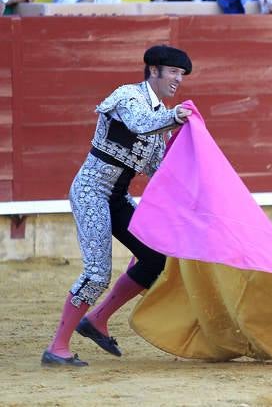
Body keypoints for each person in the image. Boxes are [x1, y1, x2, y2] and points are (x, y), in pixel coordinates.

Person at [41, 45, 193, 367]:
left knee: (154, 258)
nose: (178, 79)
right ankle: (57, 347)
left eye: (182, 75)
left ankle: (97, 320)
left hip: (118, 197)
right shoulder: (128, 97)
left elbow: (157, 170)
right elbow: (138, 123)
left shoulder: (161, 118)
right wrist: (173, 117)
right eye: (174, 72)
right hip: (91, 192)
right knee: (97, 272)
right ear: (154, 70)